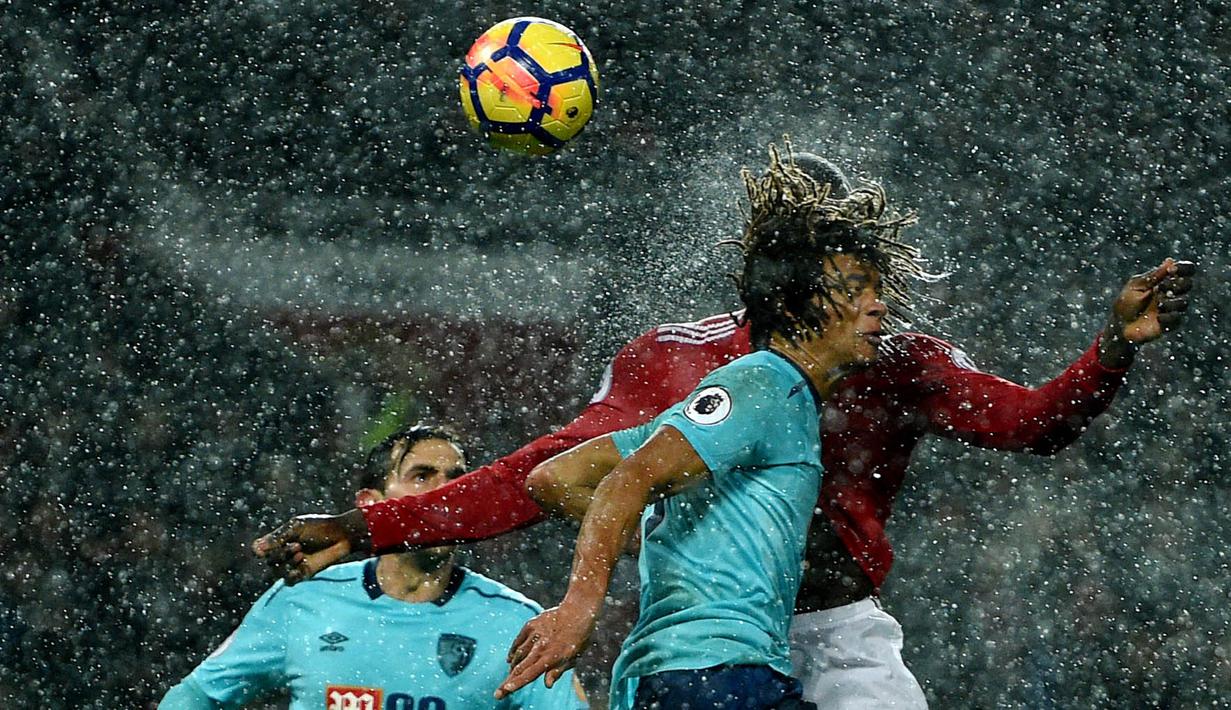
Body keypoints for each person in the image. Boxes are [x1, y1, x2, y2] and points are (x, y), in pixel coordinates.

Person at [253, 150, 1195, 708]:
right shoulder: (674, 358)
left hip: (836, 634)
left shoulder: (894, 356)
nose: (862, 288)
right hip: (707, 645)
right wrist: (369, 529)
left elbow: (1028, 425)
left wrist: (1110, 348)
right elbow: (540, 474)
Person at [496, 152, 900, 709]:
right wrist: (580, 607)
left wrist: (669, 544)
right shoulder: (763, 384)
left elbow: (555, 478)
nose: (877, 308)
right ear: (797, 300)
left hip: (707, 674)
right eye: (856, 291)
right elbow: (625, 481)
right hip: (711, 676)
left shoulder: (753, 399)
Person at [162, 424, 588, 710]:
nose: (446, 492)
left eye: (458, 478)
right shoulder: (304, 601)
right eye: (422, 475)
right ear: (371, 504)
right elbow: (195, 698)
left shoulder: (515, 622)